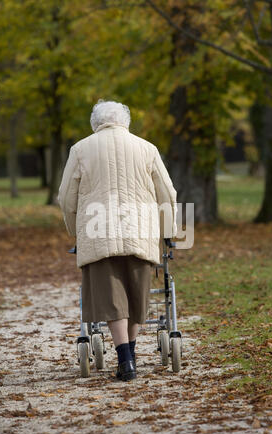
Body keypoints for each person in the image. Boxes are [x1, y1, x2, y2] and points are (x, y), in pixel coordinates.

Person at [58, 99, 177, 381]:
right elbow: (168, 193)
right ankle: (131, 356)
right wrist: (167, 233)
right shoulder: (147, 148)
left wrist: (75, 230)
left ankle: (125, 360)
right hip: (141, 230)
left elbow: (65, 197)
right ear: (126, 121)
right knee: (136, 295)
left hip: (98, 231)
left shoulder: (80, 149)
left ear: (95, 123)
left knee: (111, 297)